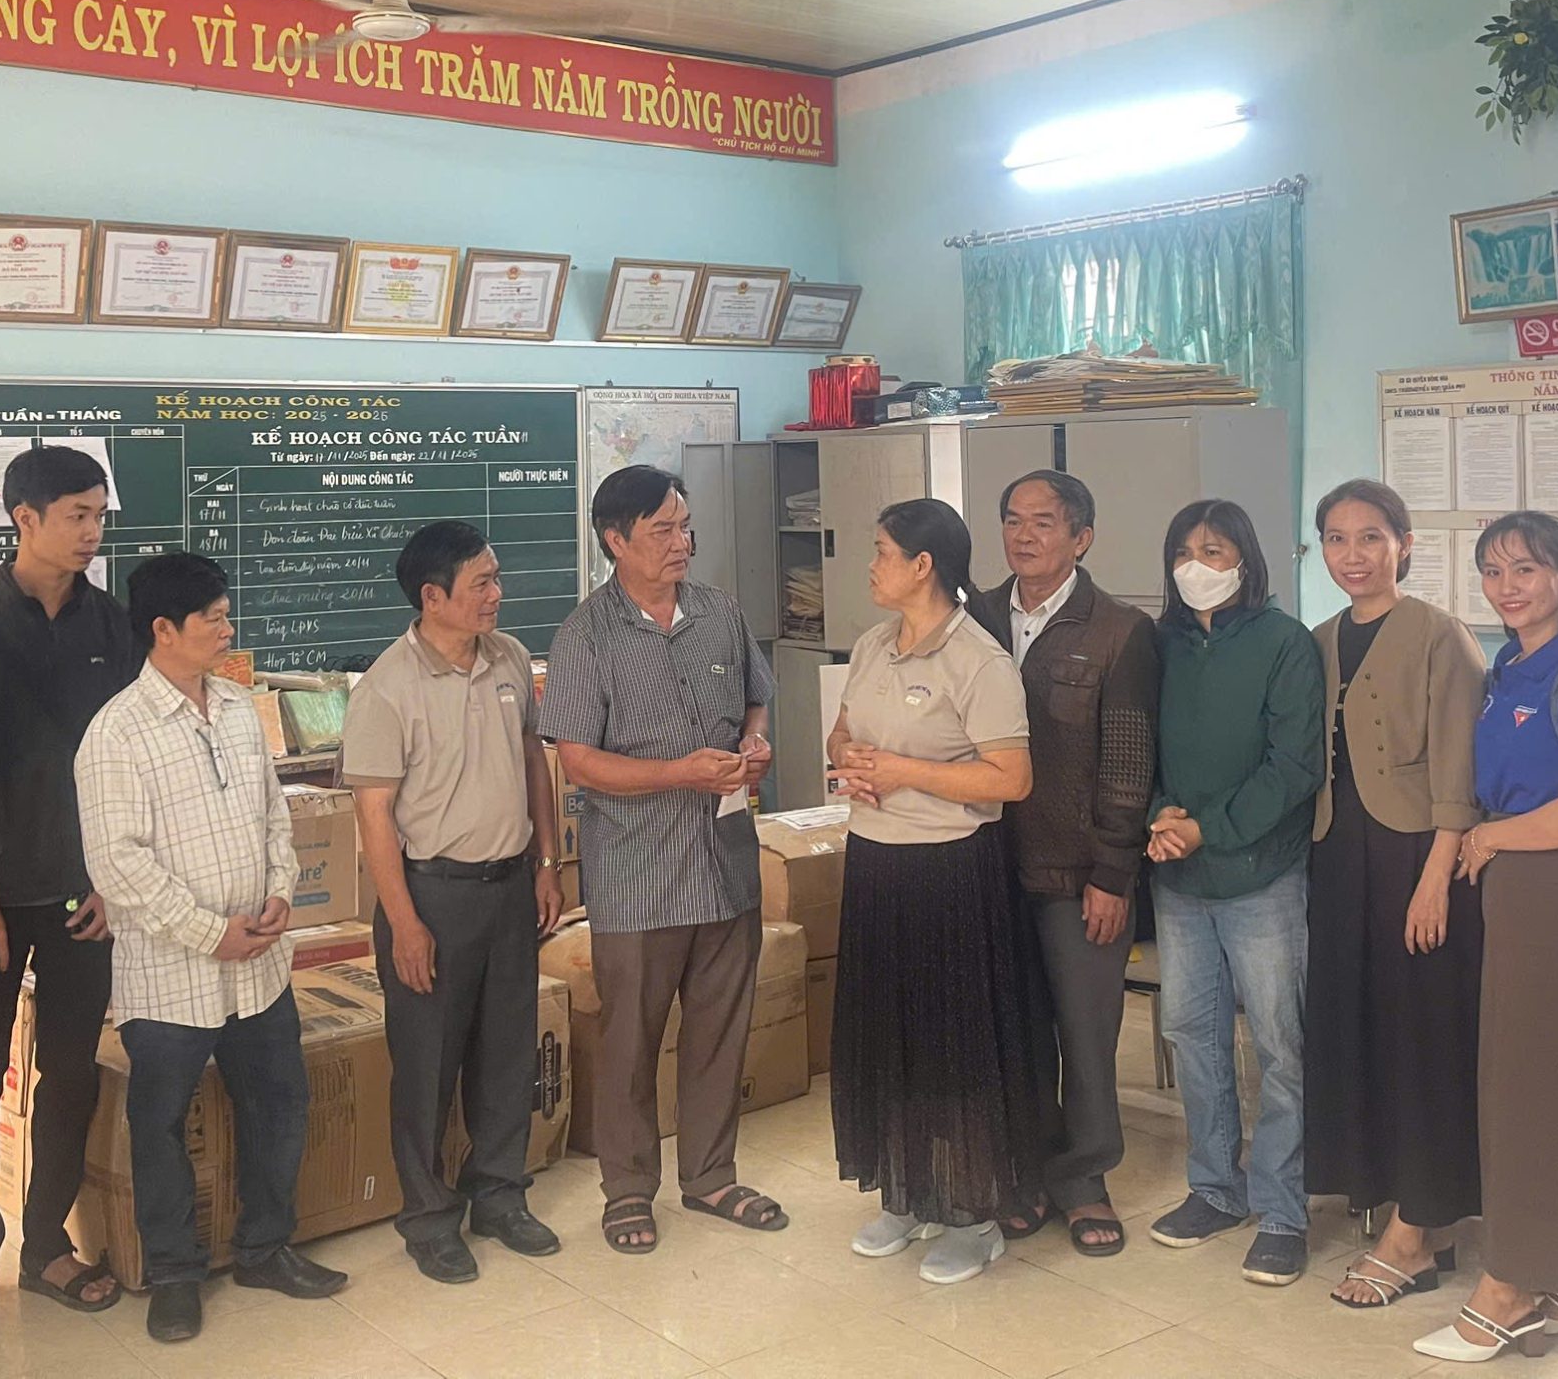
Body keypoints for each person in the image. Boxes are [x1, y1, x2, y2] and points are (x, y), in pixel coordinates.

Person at [74, 553, 346, 1345]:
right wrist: (209, 932)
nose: (229, 630)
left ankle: (265, 1248)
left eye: (227, 615)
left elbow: (273, 816)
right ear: (164, 629)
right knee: (160, 1124)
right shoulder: (116, 732)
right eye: (214, 619)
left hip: (259, 967)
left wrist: (280, 892)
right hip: (170, 977)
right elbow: (117, 864)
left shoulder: (234, 707)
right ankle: (174, 1275)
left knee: (280, 1104)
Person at [0, 446, 144, 1338]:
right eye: (77, 515)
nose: (92, 532)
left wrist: (111, 880)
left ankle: (46, 1244)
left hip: (83, 897)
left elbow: (128, 764)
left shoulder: (115, 626)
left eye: (99, 515)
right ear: (25, 519)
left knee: (72, 1070)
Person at [541, 465, 782, 1255]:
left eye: (685, 527)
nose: (682, 543)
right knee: (630, 1043)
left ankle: (711, 1176)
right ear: (616, 541)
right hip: (637, 875)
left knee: (719, 1032)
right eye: (662, 531)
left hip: (725, 862)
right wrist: (680, 772)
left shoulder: (719, 612)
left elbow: (757, 699)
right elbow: (578, 761)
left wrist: (753, 745)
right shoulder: (585, 635)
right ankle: (627, 1190)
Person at [1414, 512, 1558, 1364]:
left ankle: (1511, 1289)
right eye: (1493, 571)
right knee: (1538, 1085)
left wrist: (1490, 837)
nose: (1508, 588)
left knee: (1541, 1091)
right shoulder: (1508, 665)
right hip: (1515, 883)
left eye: (1527, 570)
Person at [343, 520, 567, 1284]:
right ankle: (429, 1217)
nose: (497, 594)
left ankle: (499, 1195)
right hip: (431, 895)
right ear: (432, 597)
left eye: (496, 578)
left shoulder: (510, 658)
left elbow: (534, 760)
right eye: (482, 583)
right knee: (427, 1067)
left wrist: (547, 861)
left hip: (510, 888)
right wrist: (405, 922)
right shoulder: (386, 689)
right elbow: (374, 816)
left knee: (507, 1054)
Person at [826, 498, 1041, 1286]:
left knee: (951, 1043)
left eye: (883, 552)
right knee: (887, 1036)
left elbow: (1011, 778)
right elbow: (843, 733)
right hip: (875, 861)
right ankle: (906, 1192)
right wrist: (852, 761)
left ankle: (972, 1214)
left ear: (923, 566)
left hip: (949, 871)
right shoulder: (873, 644)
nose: (871, 565)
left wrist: (903, 771)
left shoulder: (978, 659)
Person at [1302, 479, 1489, 1310]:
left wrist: (1435, 881)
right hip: (1340, 856)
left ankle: (1415, 1233)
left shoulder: (1441, 635)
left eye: (1371, 537)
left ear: (1403, 545)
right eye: (1337, 539)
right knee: (1365, 1035)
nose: (1354, 555)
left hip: (1418, 856)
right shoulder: (1319, 640)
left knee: (1424, 1042)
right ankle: (1416, 1219)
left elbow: (1459, 771)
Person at [967, 470, 1158, 1257]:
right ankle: (1024, 1175)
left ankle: (1083, 1179)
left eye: (1043, 522)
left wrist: (1113, 873)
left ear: (1082, 538)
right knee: (1013, 1031)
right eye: (1013, 520)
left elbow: (1129, 764)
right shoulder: (973, 616)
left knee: (1085, 1033)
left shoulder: (1119, 630)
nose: (1024, 536)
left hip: (1078, 873)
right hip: (985, 867)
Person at [1143, 497, 1325, 1287]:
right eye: (1184, 553)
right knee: (1192, 1032)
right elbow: (1140, 747)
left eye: (1213, 552)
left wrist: (1207, 829)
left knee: (1282, 1045)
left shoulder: (1284, 643)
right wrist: (1160, 818)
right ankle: (1215, 1189)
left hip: (1262, 876)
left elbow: (1294, 766)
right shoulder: (1163, 644)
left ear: (1246, 561)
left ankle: (1282, 1211)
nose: (1197, 567)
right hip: (1180, 877)